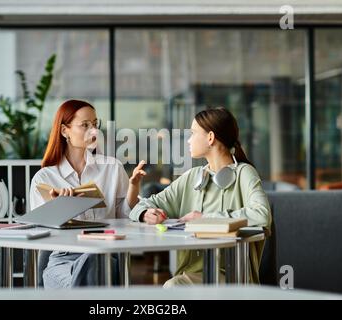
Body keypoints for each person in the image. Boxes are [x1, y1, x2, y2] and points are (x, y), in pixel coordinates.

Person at [129, 107, 271, 287]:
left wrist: (205, 219)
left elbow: (262, 214)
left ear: (210, 138)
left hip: (232, 275)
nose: (188, 140)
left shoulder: (245, 173)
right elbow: (145, 204)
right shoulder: (193, 176)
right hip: (193, 273)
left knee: (173, 287)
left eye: (193, 133)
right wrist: (145, 213)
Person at [30, 99, 146, 288]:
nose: (93, 131)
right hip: (63, 259)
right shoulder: (44, 178)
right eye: (85, 125)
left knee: (93, 261)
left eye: (95, 124)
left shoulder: (112, 168)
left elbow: (126, 217)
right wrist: (60, 209)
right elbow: (40, 232)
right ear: (64, 131)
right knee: (86, 280)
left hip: (103, 255)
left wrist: (133, 187)